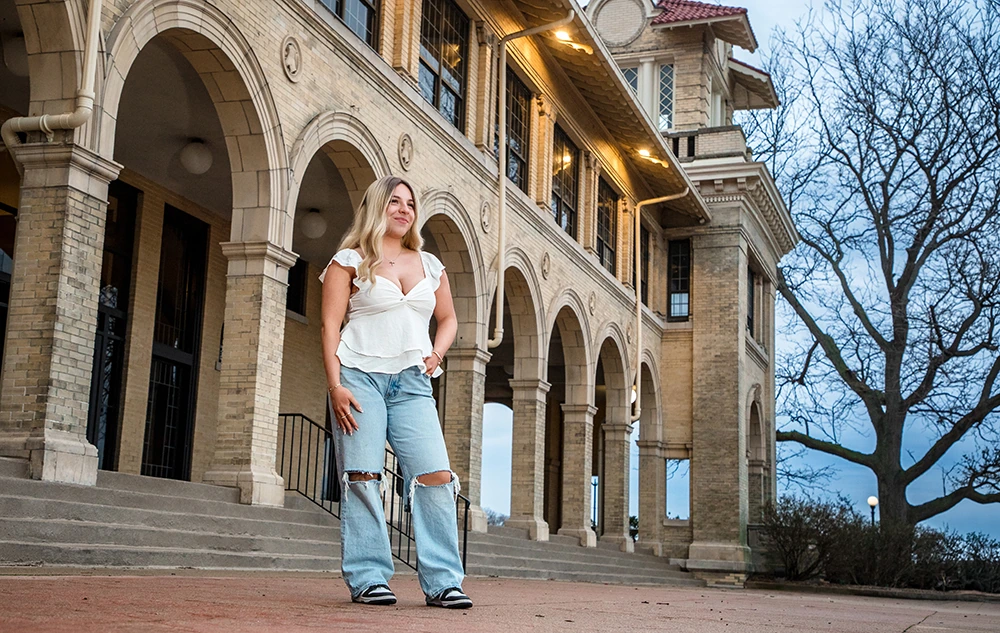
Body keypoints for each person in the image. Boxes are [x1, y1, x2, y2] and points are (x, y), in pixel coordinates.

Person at [319, 174, 472, 609]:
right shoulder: (348, 261)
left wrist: (436, 355)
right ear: (376, 207)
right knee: (364, 475)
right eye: (394, 202)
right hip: (358, 378)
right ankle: (369, 577)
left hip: (412, 384)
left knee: (435, 477)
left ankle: (444, 582)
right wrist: (335, 386)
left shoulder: (430, 265)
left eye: (409, 204)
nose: (404, 210)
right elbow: (331, 327)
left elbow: (449, 320)